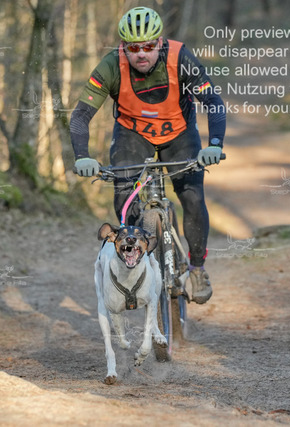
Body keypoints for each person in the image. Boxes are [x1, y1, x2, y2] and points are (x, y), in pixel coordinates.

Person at [70, 6, 226, 304]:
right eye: (133, 48)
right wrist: (82, 156)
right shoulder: (111, 65)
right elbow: (80, 115)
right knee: (123, 196)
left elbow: (213, 101)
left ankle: (197, 268)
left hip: (180, 134)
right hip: (132, 135)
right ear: (123, 47)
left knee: (193, 197)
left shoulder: (180, 58)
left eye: (148, 46)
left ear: (160, 43)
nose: (141, 54)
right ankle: (136, 264)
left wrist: (215, 144)